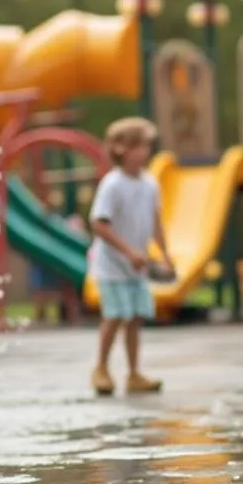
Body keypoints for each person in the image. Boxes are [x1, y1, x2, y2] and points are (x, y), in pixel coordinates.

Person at [88, 117, 173, 396]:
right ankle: (101, 368)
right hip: (113, 266)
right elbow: (99, 223)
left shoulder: (150, 183)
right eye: (138, 146)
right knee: (114, 316)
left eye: (146, 146)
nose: (144, 152)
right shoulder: (112, 184)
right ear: (121, 148)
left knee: (135, 317)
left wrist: (164, 253)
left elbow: (155, 221)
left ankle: (134, 373)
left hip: (137, 267)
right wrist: (128, 251)